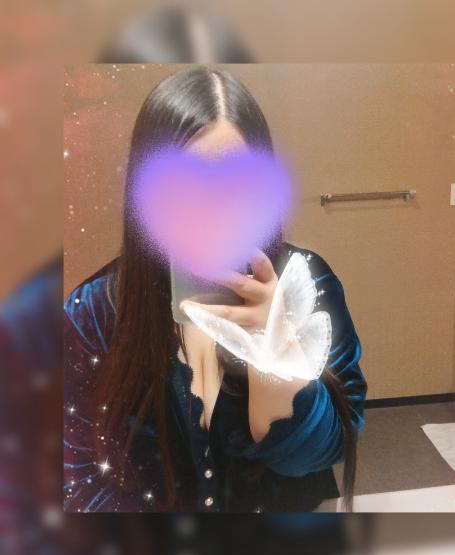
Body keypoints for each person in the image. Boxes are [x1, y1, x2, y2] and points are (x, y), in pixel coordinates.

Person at [63, 67, 366, 512]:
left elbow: (323, 452)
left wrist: (273, 355)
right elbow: (79, 477)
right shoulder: (93, 310)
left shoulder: (307, 283)